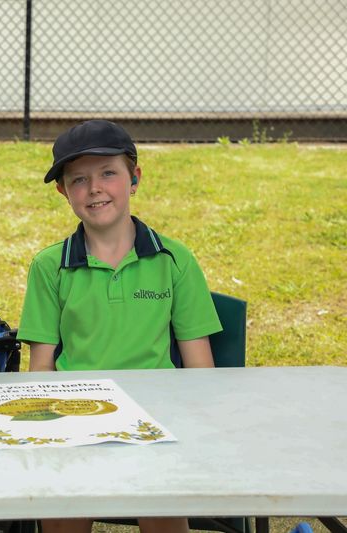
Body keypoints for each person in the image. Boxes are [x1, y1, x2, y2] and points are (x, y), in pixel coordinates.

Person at [18, 120, 222, 533]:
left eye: (108, 173)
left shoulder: (175, 260)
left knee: (163, 514)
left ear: (135, 178)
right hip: (75, 418)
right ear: (63, 192)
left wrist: (195, 433)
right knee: (61, 510)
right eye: (78, 179)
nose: (94, 188)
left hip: (157, 419)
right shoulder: (48, 266)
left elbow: (200, 371)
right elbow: (41, 369)